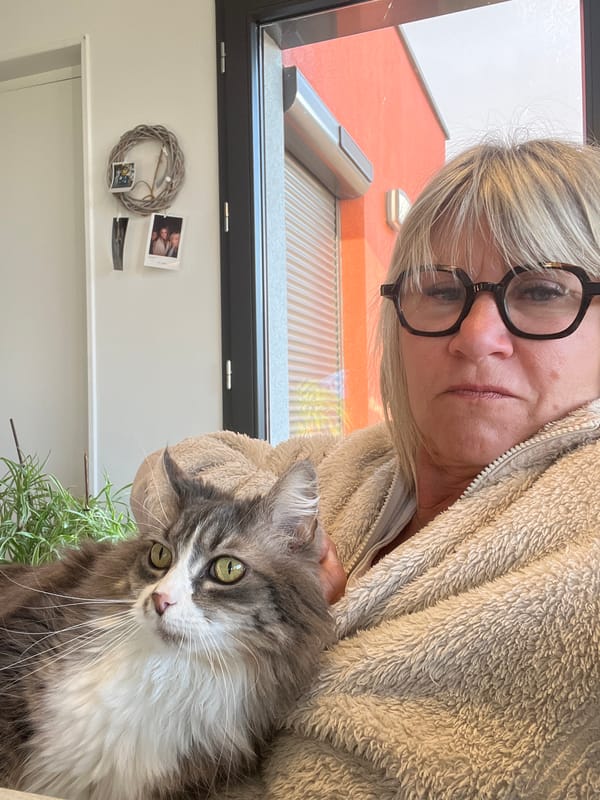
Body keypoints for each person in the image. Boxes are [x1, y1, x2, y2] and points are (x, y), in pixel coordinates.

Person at [131, 138, 600, 799]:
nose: (475, 337)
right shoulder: (355, 463)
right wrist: (267, 544)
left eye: (543, 290)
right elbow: (170, 468)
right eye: (440, 290)